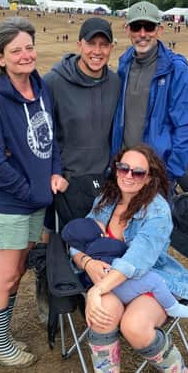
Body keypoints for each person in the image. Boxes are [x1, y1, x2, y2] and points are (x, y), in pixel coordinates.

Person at [0, 17, 64, 367]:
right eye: (16, 50)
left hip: (36, 201)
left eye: (29, 47)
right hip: (9, 204)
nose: (25, 55)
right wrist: (34, 192)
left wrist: (55, 171)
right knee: (5, 275)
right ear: (0, 57)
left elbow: (52, 140)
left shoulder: (41, 91)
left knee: (18, 271)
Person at [76, 145, 188, 372]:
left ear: (150, 178)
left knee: (135, 326)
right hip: (110, 280)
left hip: (151, 279)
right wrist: (87, 262)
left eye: (138, 172)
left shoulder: (157, 210)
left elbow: (136, 261)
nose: (128, 176)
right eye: (123, 168)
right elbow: (77, 241)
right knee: (101, 315)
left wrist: (95, 290)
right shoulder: (106, 199)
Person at [111, 1, 188, 192]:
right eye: (136, 27)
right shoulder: (124, 64)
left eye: (149, 27)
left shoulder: (177, 71)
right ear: (127, 30)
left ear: (159, 30)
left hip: (156, 174)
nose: (143, 34)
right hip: (124, 169)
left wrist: (168, 173)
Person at [42, 17, 120, 228]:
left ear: (111, 48)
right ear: (79, 45)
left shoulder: (115, 83)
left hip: (103, 182)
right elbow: (43, 135)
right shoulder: (52, 82)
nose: (97, 51)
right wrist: (55, 173)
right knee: (63, 246)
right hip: (66, 182)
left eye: (104, 45)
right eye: (91, 43)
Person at [62, 217, 188, 318]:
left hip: (105, 288)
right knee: (155, 280)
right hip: (118, 285)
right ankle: (172, 307)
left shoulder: (85, 251)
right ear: (97, 233)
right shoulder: (105, 244)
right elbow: (126, 252)